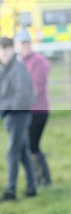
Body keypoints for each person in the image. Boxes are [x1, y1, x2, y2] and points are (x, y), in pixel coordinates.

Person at [0, 36, 37, 201]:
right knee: (22, 152)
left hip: (18, 116)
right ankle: (32, 187)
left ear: (11, 49)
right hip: (11, 115)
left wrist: (9, 109)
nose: (2, 53)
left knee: (12, 153)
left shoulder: (17, 68)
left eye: (4, 49)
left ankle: (10, 191)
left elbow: (24, 94)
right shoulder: (5, 69)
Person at [15, 30, 51, 187]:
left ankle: (42, 179)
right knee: (31, 145)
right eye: (22, 43)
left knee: (32, 145)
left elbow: (36, 89)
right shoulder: (18, 61)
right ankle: (40, 178)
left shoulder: (38, 61)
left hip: (38, 111)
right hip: (25, 111)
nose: (25, 46)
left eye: (27, 42)